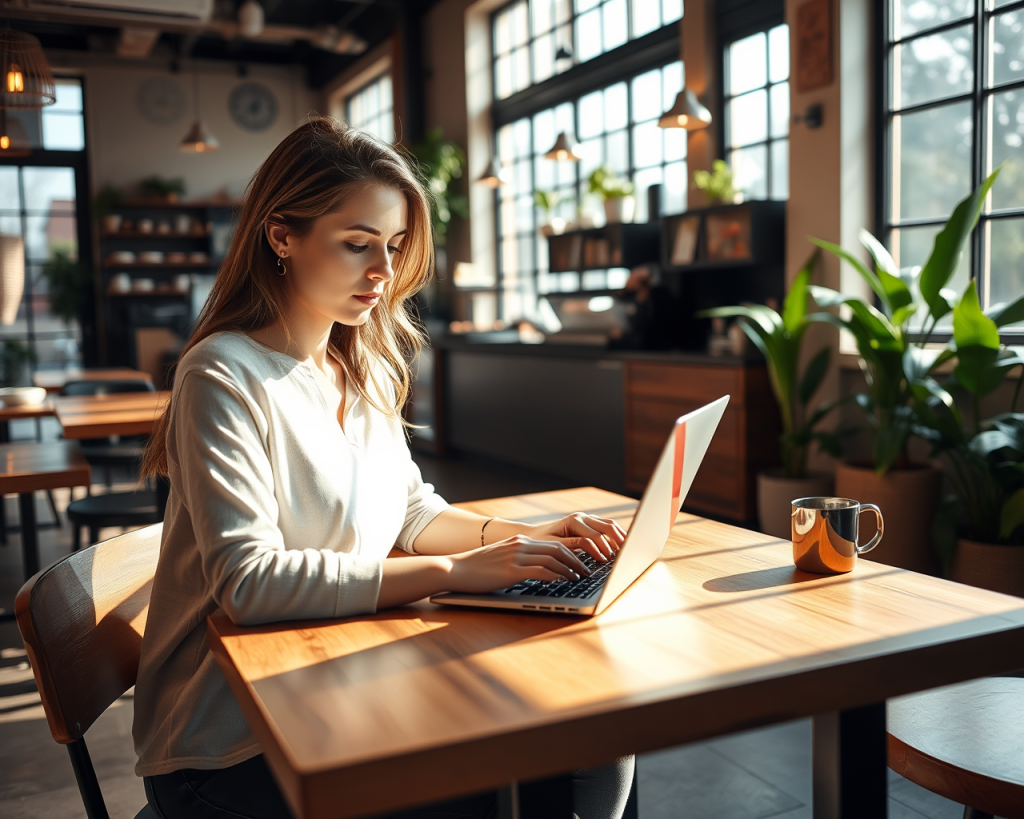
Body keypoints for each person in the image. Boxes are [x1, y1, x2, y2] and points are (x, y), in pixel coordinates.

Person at [133, 117, 635, 819]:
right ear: (282, 236)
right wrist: (452, 575)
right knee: (513, 776)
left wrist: (530, 535)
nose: (384, 272)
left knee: (601, 728)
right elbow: (248, 583)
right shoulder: (221, 375)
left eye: (395, 246)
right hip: (232, 744)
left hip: (334, 678)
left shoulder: (357, 361)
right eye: (357, 244)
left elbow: (412, 512)